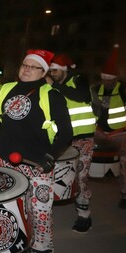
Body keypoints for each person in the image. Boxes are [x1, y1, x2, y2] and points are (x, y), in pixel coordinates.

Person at [0, 49, 73, 253]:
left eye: (33, 66)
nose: (26, 69)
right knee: (3, 208)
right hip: (6, 161)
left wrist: (50, 156)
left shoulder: (51, 95)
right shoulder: (6, 88)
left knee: (40, 216)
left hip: (37, 164)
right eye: (24, 64)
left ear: (43, 71)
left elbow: (66, 132)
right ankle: (1, 247)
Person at [47, 54, 96, 233]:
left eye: (55, 70)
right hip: (61, 139)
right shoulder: (51, 86)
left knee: (81, 177)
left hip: (83, 138)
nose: (52, 73)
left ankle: (84, 216)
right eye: (51, 70)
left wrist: (56, 86)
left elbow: (82, 96)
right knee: (53, 175)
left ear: (64, 70)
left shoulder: (78, 79)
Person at [91, 44, 126, 209]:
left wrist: (125, 78)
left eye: (110, 79)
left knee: (123, 164)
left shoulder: (121, 89)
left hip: (119, 133)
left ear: (116, 78)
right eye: (105, 78)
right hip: (99, 132)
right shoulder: (96, 88)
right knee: (85, 157)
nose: (107, 82)